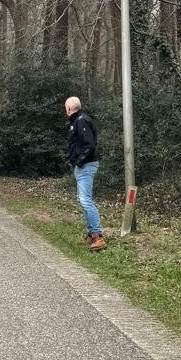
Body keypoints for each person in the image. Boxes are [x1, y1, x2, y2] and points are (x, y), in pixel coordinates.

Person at [65, 96, 107, 251]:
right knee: (83, 200)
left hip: (86, 165)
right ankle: (91, 234)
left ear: (69, 108)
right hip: (83, 165)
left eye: (66, 108)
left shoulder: (81, 121)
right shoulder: (77, 121)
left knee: (86, 200)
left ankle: (98, 236)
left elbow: (89, 145)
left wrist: (79, 161)